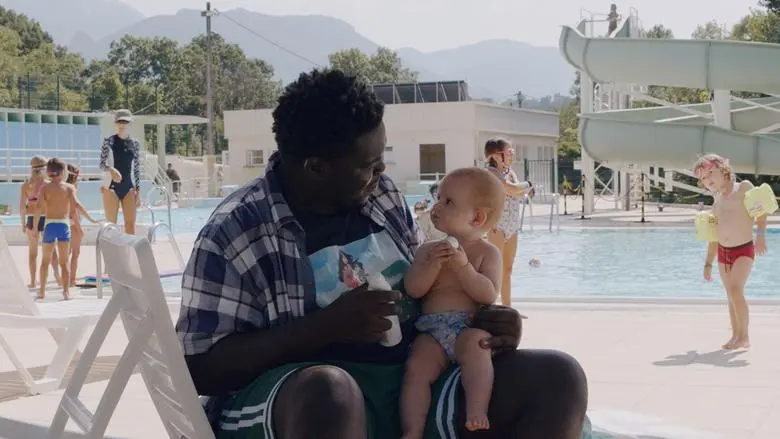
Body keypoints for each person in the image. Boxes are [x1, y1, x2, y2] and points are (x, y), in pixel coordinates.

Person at [176, 69, 587, 439]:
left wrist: (484, 323)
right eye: (370, 166)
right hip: (297, 404)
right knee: (330, 394)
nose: (382, 175)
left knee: (557, 378)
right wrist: (322, 329)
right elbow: (198, 368)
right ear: (316, 167)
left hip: (405, 384)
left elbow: (428, 293)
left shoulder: (380, 197)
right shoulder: (236, 231)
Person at [401, 167, 505, 437]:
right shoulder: (427, 250)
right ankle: (413, 429)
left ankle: (477, 410)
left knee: (479, 347)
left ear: (477, 217)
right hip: (431, 331)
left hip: (467, 327)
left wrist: (463, 268)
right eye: (438, 198)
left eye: (449, 202)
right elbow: (413, 289)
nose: (437, 206)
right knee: (416, 368)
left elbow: (488, 294)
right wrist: (432, 266)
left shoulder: (487, 253)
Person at [694, 154, 767, 349]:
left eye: (710, 173)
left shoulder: (743, 188)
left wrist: (761, 236)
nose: (707, 180)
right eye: (703, 179)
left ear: (723, 169)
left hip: (743, 249)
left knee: (736, 290)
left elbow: (760, 212)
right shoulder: (717, 201)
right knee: (730, 295)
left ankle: (745, 336)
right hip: (723, 252)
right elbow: (713, 236)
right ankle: (735, 335)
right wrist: (708, 263)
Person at [38, 158, 97, 300]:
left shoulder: (45, 188)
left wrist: (34, 226)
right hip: (63, 225)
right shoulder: (69, 188)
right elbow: (77, 206)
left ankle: (42, 291)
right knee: (64, 262)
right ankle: (66, 292)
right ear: (63, 172)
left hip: (49, 225)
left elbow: (39, 208)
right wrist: (91, 219)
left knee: (45, 261)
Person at [484, 139, 532, 306]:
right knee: (495, 269)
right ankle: (490, 305)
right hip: (497, 226)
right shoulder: (491, 173)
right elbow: (512, 188)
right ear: (496, 156)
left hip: (512, 225)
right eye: (508, 152)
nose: (511, 155)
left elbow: (517, 193)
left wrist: (519, 189)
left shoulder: (510, 172)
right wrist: (527, 185)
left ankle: (507, 307)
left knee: (508, 269)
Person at [19, 156, 60, 288]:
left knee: (32, 253)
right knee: (52, 251)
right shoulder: (49, 184)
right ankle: (58, 277)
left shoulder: (26, 185)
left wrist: (23, 224)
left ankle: (32, 281)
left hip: (32, 219)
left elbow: (22, 208)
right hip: (47, 219)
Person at [99, 109, 141, 234]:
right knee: (111, 225)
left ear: (130, 123)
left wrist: (138, 190)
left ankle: (129, 247)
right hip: (111, 187)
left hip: (128, 187)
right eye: (119, 121)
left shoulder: (135, 143)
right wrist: (111, 169)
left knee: (130, 224)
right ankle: (111, 247)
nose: (122, 124)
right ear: (115, 123)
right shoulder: (108, 141)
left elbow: (136, 168)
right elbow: (101, 164)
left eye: (125, 122)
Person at [65, 163, 84, 287]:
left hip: (64, 221)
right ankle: (71, 280)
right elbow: (73, 211)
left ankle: (65, 278)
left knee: (66, 253)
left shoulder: (62, 187)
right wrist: (79, 228)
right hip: (73, 222)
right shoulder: (72, 188)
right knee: (75, 253)